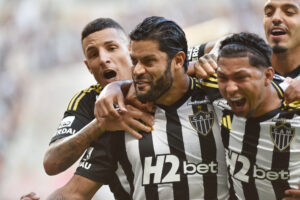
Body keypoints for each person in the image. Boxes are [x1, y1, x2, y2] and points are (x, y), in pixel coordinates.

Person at [45, 16, 229, 200]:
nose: (103, 59)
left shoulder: (212, 90)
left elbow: (232, 44)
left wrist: (210, 61)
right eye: (93, 54)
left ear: (127, 49)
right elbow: (66, 180)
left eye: (112, 48)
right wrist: (101, 123)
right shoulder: (112, 118)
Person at [214, 32, 300, 200]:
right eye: (222, 78)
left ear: (267, 76)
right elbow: (171, 60)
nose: (230, 88)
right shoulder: (213, 91)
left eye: (241, 77)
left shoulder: (295, 104)